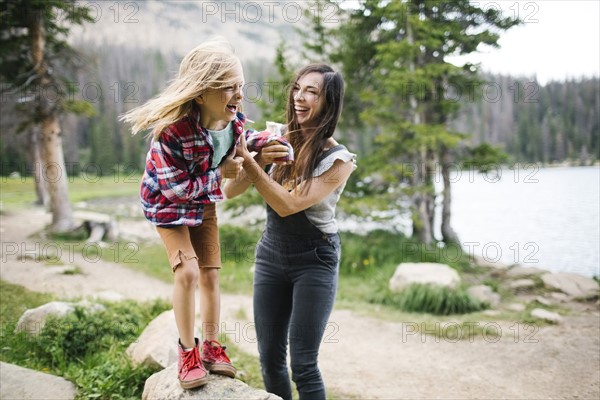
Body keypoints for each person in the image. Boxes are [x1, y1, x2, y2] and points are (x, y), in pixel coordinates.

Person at [224, 63, 356, 400]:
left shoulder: (338, 160)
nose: (300, 96)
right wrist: (256, 154)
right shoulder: (276, 136)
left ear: (329, 102)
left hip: (316, 259)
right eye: (298, 88)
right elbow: (231, 191)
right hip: (271, 253)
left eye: (312, 91)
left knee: (304, 364)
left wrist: (250, 162)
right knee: (269, 360)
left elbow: (288, 205)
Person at [121, 37, 244, 389]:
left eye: (240, 85)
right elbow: (176, 190)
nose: (238, 94)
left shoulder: (231, 121)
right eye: (229, 87)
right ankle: (187, 352)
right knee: (188, 271)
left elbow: (246, 141)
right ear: (201, 94)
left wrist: (270, 146)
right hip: (168, 208)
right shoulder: (170, 133)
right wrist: (220, 174)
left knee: (211, 273)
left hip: (203, 204)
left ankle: (211, 346)